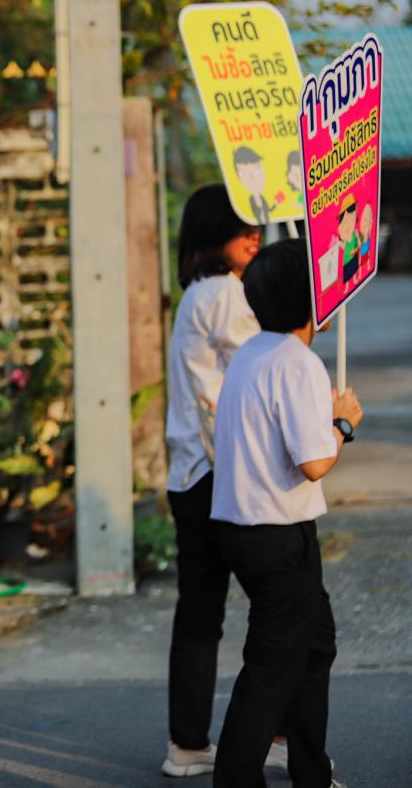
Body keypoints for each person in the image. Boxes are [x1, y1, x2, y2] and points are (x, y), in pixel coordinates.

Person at [208, 239, 359, 788]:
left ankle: (311, 771)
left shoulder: (252, 352)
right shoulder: (299, 363)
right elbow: (314, 461)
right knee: (272, 668)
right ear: (311, 298)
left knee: (315, 644)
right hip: (275, 533)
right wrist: (343, 423)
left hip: (247, 526)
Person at [162, 185, 271, 777]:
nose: (255, 234)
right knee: (285, 608)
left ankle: (187, 744)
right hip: (225, 474)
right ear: (212, 234)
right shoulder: (227, 293)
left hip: (190, 473)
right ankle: (279, 732)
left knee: (200, 614)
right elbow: (265, 368)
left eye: (256, 225)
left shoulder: (196, 294)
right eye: (241, 226)